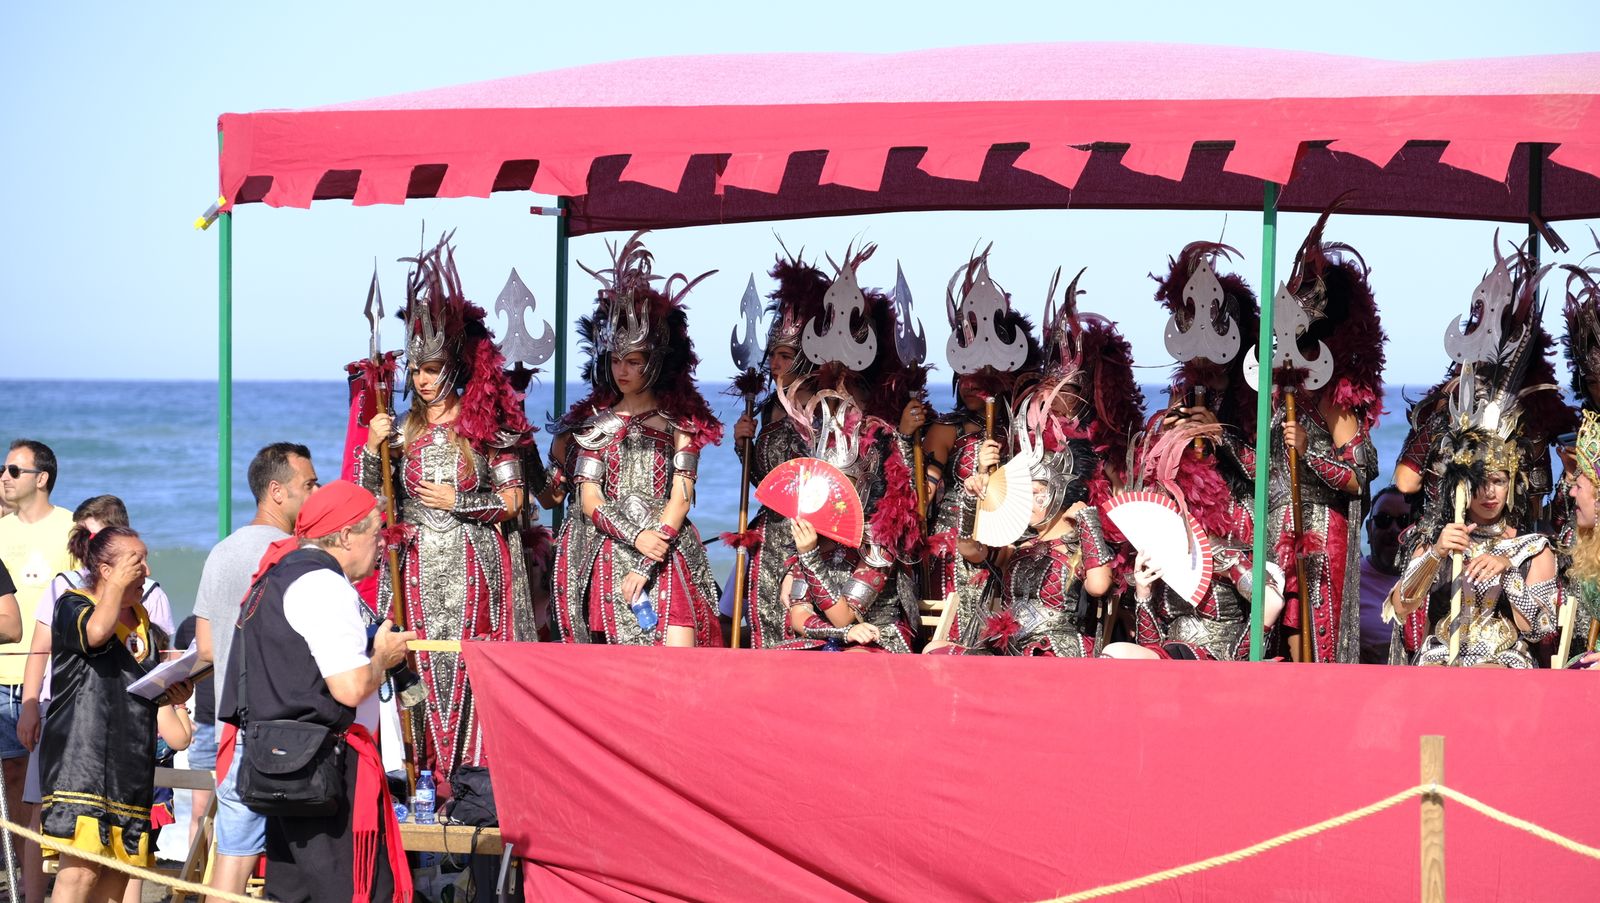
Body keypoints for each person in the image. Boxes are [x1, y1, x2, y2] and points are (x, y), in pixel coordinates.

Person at [358, 233, 535, 781]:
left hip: (471, 567)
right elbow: (371, 499)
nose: (423, 380)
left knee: (464, 665)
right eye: (416, 370)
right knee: (414, 667)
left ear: (453, 367)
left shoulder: (487, 427)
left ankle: (473, 778)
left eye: (432, 368)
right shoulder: (400, 428)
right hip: (411, 570)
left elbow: (514, 501)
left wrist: (461, 502)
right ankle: (423, 778)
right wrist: (372, 449)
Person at [219, 480, 414, 903]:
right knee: (352, 890)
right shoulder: (322, 585)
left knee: (294, 893)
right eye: (375, 531)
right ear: (345, 536)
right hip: (323, 768)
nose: (381, 543)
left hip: (284, 763)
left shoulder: (276, 577)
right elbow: (350, 688)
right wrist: (383, 658)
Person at [550, 231, 725, 647]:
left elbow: (680, 498)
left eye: (632, 361)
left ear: (656, 364)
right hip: (610, 555)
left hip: (666, 551)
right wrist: (634, 537)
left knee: (679, 665)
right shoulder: (595, 426)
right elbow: (590, 499)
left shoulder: (681, 424)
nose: (622, 371)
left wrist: (650, 552)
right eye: (615, 361)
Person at [19, 495, 173, 903]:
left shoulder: (143, 618)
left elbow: (145, 685)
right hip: (82, 761)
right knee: (81, 873)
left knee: (116, 875)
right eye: (136, 562)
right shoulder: (72, 603)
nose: (146, 571)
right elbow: (96, 633)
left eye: (145, 560)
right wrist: (116, 587)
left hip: (130, 763)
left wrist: (177, 688)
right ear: (105, 569)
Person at [194, 442, 317, 902]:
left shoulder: (222, 551)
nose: (317, 492)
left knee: (233, 860)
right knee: (302, 861)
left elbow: (207, 647)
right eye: (309, 484)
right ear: (277, 491)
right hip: (289, 732)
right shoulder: (295, 553)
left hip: (234, 725)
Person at [1265, 208, 1386, 663]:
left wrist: (1308, 454)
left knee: (1317, 640)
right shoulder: (1272, 394)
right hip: (1275, 527)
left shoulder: (1335, 397)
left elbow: (1360, 477)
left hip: (1319, 531)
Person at [921, 248, 1042, 645]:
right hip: (957, 546)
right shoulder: (946, 430)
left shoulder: (1025, 431)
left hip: (1010, 543)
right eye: (966, 370)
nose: (974, 380)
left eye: (983, 370)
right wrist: (974, 477)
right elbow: (923, 497)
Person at [1102, 421, 1286, 661]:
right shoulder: (1159, 558)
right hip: (1172, 659)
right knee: (1114, 653)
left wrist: (1237, 661)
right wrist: (1143, 593)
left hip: (1216, 662)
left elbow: (1270, 602)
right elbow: (1151, 647)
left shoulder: (1222, 555)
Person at [1388, 428, 1560, 668]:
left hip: (1505, 662)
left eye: (1498, 481)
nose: (1489, 492)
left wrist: (1509, 572)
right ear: (1461, 485)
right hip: (1440, 659)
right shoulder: (1437, 540)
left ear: (1510, 484)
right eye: (1480, 481)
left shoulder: (1534, 548)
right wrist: (1436, 554)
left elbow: (1538, 630)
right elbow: (1400, 607)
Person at [730, 248, 830, 648]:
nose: (774, 363)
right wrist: (743, 447)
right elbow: (766, 483)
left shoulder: (825, 408)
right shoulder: (769, 407)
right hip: (769, 533)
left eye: (785, 356)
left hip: (811, 534)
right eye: (772, 355)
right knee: (762, 623)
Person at [774, 389, 918, 653]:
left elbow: (845, 616)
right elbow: (799, 614)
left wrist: (810, 556)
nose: (833, 497)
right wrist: (839, 633)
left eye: (841, 489)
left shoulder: (877, 541)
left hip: (876, 639)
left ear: (860, 490)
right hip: (829, 638)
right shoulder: (814, 535)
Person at [0, 438, 71, 872]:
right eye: (3, 469)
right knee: (10, 776)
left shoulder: (70, 527)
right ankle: (15, 867)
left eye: (13, 470)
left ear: (41, 478)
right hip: (2, 671)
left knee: (42, 781)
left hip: (50, 676)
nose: (4, 477)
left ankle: (41, 867)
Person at [1359, 487, 1417, 663]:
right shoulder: (1350, 579)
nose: (1394, 529)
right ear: (1369, 529)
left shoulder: (1431, 580)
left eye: (1404, 521)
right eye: (1383, 520)